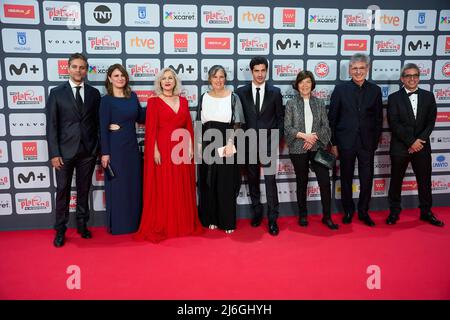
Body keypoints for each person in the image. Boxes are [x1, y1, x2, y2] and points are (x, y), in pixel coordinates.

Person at [134, 67, 202, 242]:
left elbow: (188, 124)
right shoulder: (154, 102)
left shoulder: (184, 101)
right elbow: (151, 129)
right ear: (159, 82)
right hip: (163, 148)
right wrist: (154, 149)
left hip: (181, 148)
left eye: (170, 78)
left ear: (175, 81)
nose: (167, 81)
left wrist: (190, 147)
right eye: (164, 78)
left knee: (181, 185)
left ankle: (183, 223)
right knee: (165, 185)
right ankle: (167, 223)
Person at [46, 53, 101, 247]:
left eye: (82, 67)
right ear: (68, 68)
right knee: (62, 191)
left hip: (87, 151)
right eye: (75, 67)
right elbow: (51, 125)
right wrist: (54, 153)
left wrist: (96, 149)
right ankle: (60, 229)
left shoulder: (94, 94)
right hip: (63, 153)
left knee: (84, 190)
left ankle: (82, 225)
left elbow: (96, 123)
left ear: (86, 70)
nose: (79, 70)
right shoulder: (56, 93)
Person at [386, 63, 444, 227]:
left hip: (422, 147)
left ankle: (426, 212)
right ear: (402, 78)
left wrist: (420, 141)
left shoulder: (429, 96)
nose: (412, 79)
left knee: (425, 181)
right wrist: (411, 141)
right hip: (400, 147)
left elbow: (431, 122)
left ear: (418, 77)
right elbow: (394, 123)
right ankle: (394, 212)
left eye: (415, 75)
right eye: (408, 76)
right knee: (396, 181)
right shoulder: (393, 98)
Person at [328, 53, 383, 227]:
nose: (358, 71)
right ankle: (348, 211)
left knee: (367, 178)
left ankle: (364, 211)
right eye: (354, 68)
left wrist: (374, 142)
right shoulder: (340, 90)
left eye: (361, 68)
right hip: (345, 142)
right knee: (346, 178)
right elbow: (332, 119)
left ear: (367, 69)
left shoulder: (375, 90)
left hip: (367, 143)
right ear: (350, 70)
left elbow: (378, 119)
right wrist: (334, 143)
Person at [236, 56, 284, 236]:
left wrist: (275, 139)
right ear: (251, 71)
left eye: (263, 70)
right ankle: (257, 213)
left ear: (267, 71)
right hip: (247, 144)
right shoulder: (241, 92)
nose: (260, 74)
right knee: (252, 180)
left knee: (271, 182)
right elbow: (238, 120)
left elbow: (280, 119)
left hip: (269, 144)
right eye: (256, 71)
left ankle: (273, 219)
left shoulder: (275, 92)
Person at [284, 71, 338, 230]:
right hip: (298, 147)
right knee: (302, 182)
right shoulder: (291, 104)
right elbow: (287, 128)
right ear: (297, 85)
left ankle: (327, 216)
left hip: (317, 147)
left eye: (308, 82)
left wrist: (312, 138)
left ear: (312, 84)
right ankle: (303, 215)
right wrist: (304, 136)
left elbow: (326, 127)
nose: (305, 85)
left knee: (324, 182)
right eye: (301, 82)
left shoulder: (319, 103)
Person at [196, 65, 245, 233]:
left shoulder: (233, 97)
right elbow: (198, 123)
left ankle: (227, 222)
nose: (218, 80)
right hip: (208, 143)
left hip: (227, 143)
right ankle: (210, 219)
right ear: (210, 79)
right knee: (209, 181)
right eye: (215, 77)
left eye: (221, 77)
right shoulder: (204, 97)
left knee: (226, 182)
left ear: (225, 79)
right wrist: (199, 146)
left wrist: (231, 144)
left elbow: (237, 123)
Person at [99, 64, 145, 235]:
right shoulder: (106, 100)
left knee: (133, 185)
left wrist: (160, 102)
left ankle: (135, 223)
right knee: (118, 186)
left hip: (131, 147)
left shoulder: (132, 97)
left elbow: (141, 116)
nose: (120, 78)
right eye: (116, 75)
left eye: (122, 75)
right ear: (110, 78)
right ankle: (119, 225)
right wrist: (105, 153)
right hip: (115, 147)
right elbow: (103, 128)